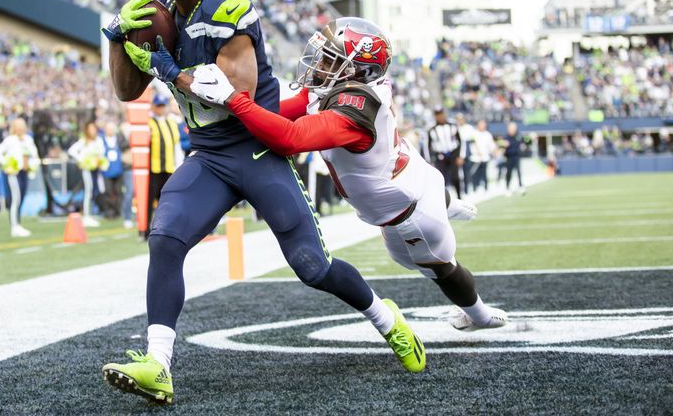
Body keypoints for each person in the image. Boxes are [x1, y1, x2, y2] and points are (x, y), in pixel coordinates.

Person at [100, 0, 424, 405]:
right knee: (164, 239)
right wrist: (119, 41)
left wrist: (168, 67)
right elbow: (126, 91)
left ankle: (387, 319)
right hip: (208, 155)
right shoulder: (155, 12)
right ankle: (158, 364)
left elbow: (235, 92)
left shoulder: (230, 8)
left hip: (256, 148)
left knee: (312, 266)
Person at [190, 17, 507, 337]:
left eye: (331, 58)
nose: (320, 63)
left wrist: (233, 99)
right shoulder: (345, 86)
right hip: (414, 171)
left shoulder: (353, 108)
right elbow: (282, 111)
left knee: (438, 268)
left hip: (409, 212)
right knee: (432, 181)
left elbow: (289, 137)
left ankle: (478, 315)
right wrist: (223, 115)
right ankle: (448, 202)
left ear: (357, 71)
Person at [0, 118, 40, 237]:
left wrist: (31, 165)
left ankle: (18, 224)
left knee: (21, 198)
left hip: (25, 173)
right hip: (14, 174)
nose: (20, 128)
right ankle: (14, 226)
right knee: (15, 199)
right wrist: (7, 164)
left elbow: (34, 155)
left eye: (22, 125)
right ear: (14, 128)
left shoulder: (28, 140)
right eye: (18, 126)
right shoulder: (10, 140)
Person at [146, 94, 183, 239]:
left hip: (168, 167)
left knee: (167, 199)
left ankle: (166, 227)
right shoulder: (149, 123)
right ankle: (146, 228)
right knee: (150, 200)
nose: (161, 109)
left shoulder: (171, 122)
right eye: (158, 106)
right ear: (153, 107)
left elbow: (176, 145)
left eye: (163, 106)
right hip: (153, 168)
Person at [67, 121, 107, 228]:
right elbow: (72, 151)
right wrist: (82, 160)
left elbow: (102, 153)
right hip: (87, 170)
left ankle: (90, 214)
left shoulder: (98, 140)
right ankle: (86, 216)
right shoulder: (84, 141)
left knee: (95, 191)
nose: (92, 131)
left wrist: (100, 161)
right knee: (88, 191)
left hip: (96, 170)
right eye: (90, 129)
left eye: (94, 128)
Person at [427, 107, 464, 199]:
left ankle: (459, 196)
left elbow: (460, 141)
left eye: (441, 114)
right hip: (440, 155)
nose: (440, 116)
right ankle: (443, 199)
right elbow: (428, 146)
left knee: (456, 176)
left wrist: (461, 156)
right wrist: (430, 160)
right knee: (441, 178)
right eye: (437, 114)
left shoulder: (452, 124)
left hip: (453, 153)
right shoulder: (431, 128)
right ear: (435, 116)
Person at [99, 122, 127, 220]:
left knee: (118, 191)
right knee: (108, 191)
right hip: (106, 170)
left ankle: (118, 211)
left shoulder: (119, 139)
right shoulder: (101, 140)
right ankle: (109, 212)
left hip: (118, 169)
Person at [470, 120, 496, 192]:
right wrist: (477, 152)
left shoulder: (488, 134)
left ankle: (485, 188)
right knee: (475, 174)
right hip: (475, 158)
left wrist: (494, 152)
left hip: (485, 158)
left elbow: (491, 146)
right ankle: (475, 188)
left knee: (484, 174)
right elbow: (472, 144)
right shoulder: (474, 133)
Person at [502, 122, 525, 195]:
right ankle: (507, 188)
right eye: (510, 129)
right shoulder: (505, 137)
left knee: (518, 172)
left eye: (513, 129)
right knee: (508, 173)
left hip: (516, 156)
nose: (512, 130)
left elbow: (526, 142)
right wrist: (503, 145)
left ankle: (520, 186)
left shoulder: (519, 136)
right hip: (508, 157)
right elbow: (500, 147)